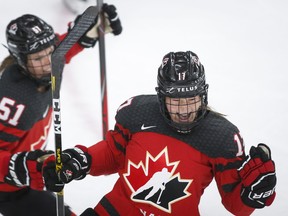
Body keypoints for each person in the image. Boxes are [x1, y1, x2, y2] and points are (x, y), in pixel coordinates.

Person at [43, 51, 277, 216]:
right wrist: (83, 160)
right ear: (161, 97)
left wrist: (252, 195)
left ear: (203, 95)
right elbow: (114, 154)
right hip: (116, 210)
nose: (184, 111)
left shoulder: (222, 138)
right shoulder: (137, 113)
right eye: (175, 101)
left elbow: (235, 207)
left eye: (191, 100)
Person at [0, 3, 122, 216]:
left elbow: (61, 50)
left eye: (51, 52)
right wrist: (32, 168)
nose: (49, 61)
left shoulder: (48, 62)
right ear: (20, 59)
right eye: (38, 58)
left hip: (26, 181)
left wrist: (87, 30)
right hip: (8, 190)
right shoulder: (14, 101)